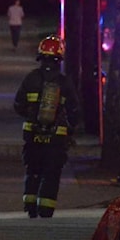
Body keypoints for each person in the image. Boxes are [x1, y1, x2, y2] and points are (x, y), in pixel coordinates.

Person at [13, 36, 81, 218]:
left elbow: (18, 105)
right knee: (51, 172)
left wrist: (30, 116)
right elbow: (74, 109)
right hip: (56, 136)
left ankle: (30, 205)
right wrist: (70, 129)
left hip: (31, 133)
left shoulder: (31, 78)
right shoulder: (64, 82)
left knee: (33, 169)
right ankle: (46, 208)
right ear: (59, 58)